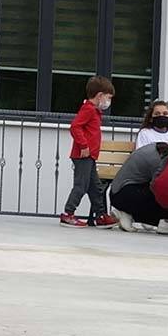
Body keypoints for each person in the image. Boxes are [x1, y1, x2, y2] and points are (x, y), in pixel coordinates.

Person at [60, 76, 120, 229]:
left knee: (95, 187)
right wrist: (83, 145)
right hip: (83, 156)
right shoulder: (89, 110)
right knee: (81, 185)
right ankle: (68, 214)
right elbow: (75, 127)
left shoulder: (93, 111)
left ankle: (100, 216)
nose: (108, 101)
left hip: (90, 156)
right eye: (108, 98)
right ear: (100, 95)